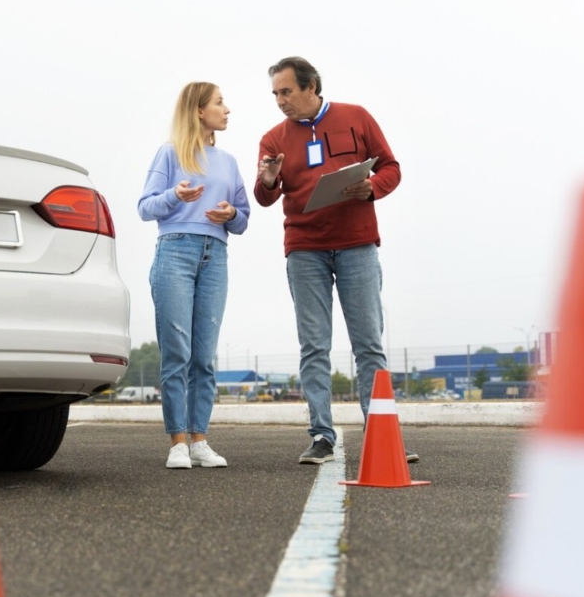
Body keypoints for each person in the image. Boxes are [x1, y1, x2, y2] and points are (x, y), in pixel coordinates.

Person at [252, 56, 418, 465]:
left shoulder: (357, 116)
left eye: (286, 91)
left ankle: (382, 432)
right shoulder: (273, 138)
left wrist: (372, 187)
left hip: (357, 246)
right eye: (275, 94)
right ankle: (321, 436)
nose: (280, 101)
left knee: (369, 345)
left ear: (311, 87)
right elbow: (264, 196)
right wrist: (269, 180)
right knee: (314, 347)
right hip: (304, 250)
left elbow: (392, 167)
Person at [138, 82, 250, 469]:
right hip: (175, 252)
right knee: (178, 353)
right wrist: (175, 196)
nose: (227, 109)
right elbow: (145, 207)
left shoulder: (229, 161)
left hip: (215, 254)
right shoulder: (169, 153)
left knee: (204, 356)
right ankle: (178, 443)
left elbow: (243, 218)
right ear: (199, 111)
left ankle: (200, 439)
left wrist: (230, 215)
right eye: (220, 102)